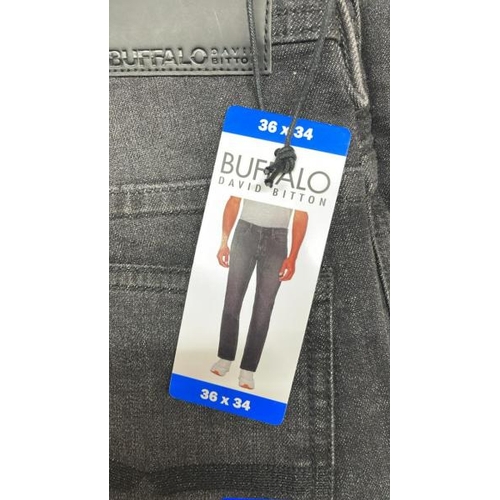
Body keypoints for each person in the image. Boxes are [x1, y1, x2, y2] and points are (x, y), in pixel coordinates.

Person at [211, 196, 308, 389]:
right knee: (232, 300)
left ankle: (248, 369)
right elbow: (234, 200)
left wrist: (293, 257)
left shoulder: (299, 177)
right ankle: (225, 358)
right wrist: (223, 242)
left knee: (264, 308)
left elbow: (301, 213)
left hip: (277, 240)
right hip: (245, 232)